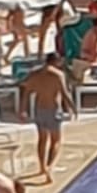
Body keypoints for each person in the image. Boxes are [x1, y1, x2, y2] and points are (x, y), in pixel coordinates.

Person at [20, 53, 76, 183]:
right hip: (53, 110)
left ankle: (42, 167)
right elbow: (65, 93)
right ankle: (50, 167)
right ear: (57, 61)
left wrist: (22, 109)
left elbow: (27, 92)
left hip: (39, 110)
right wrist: (73, 108)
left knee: (42, 140)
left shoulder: (35, 74)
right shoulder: (58, 75)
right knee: (56, 141)